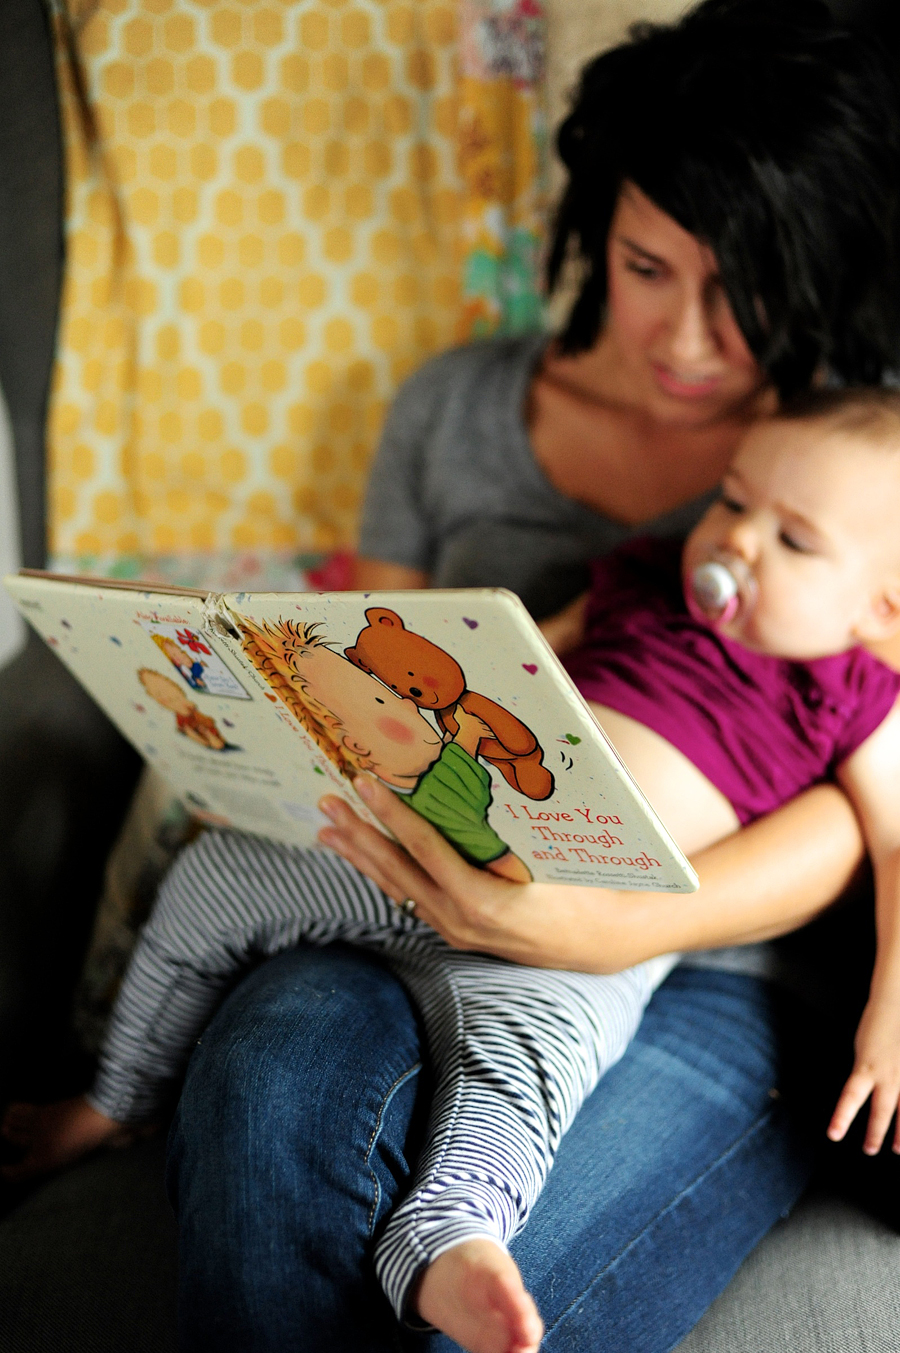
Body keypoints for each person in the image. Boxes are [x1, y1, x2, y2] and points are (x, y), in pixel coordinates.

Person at [8, 3, 900, 1350]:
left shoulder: (858, 456)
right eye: (654, 267)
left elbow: (863, 804)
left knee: (490, 1296)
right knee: (268, 1092)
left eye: (752, 284)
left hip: (713, 959)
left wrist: (608, 926)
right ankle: (129, 1089)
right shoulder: (451, 410)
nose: (699, 340)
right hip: (426, 868)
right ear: (596, 222)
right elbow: (382, 677)